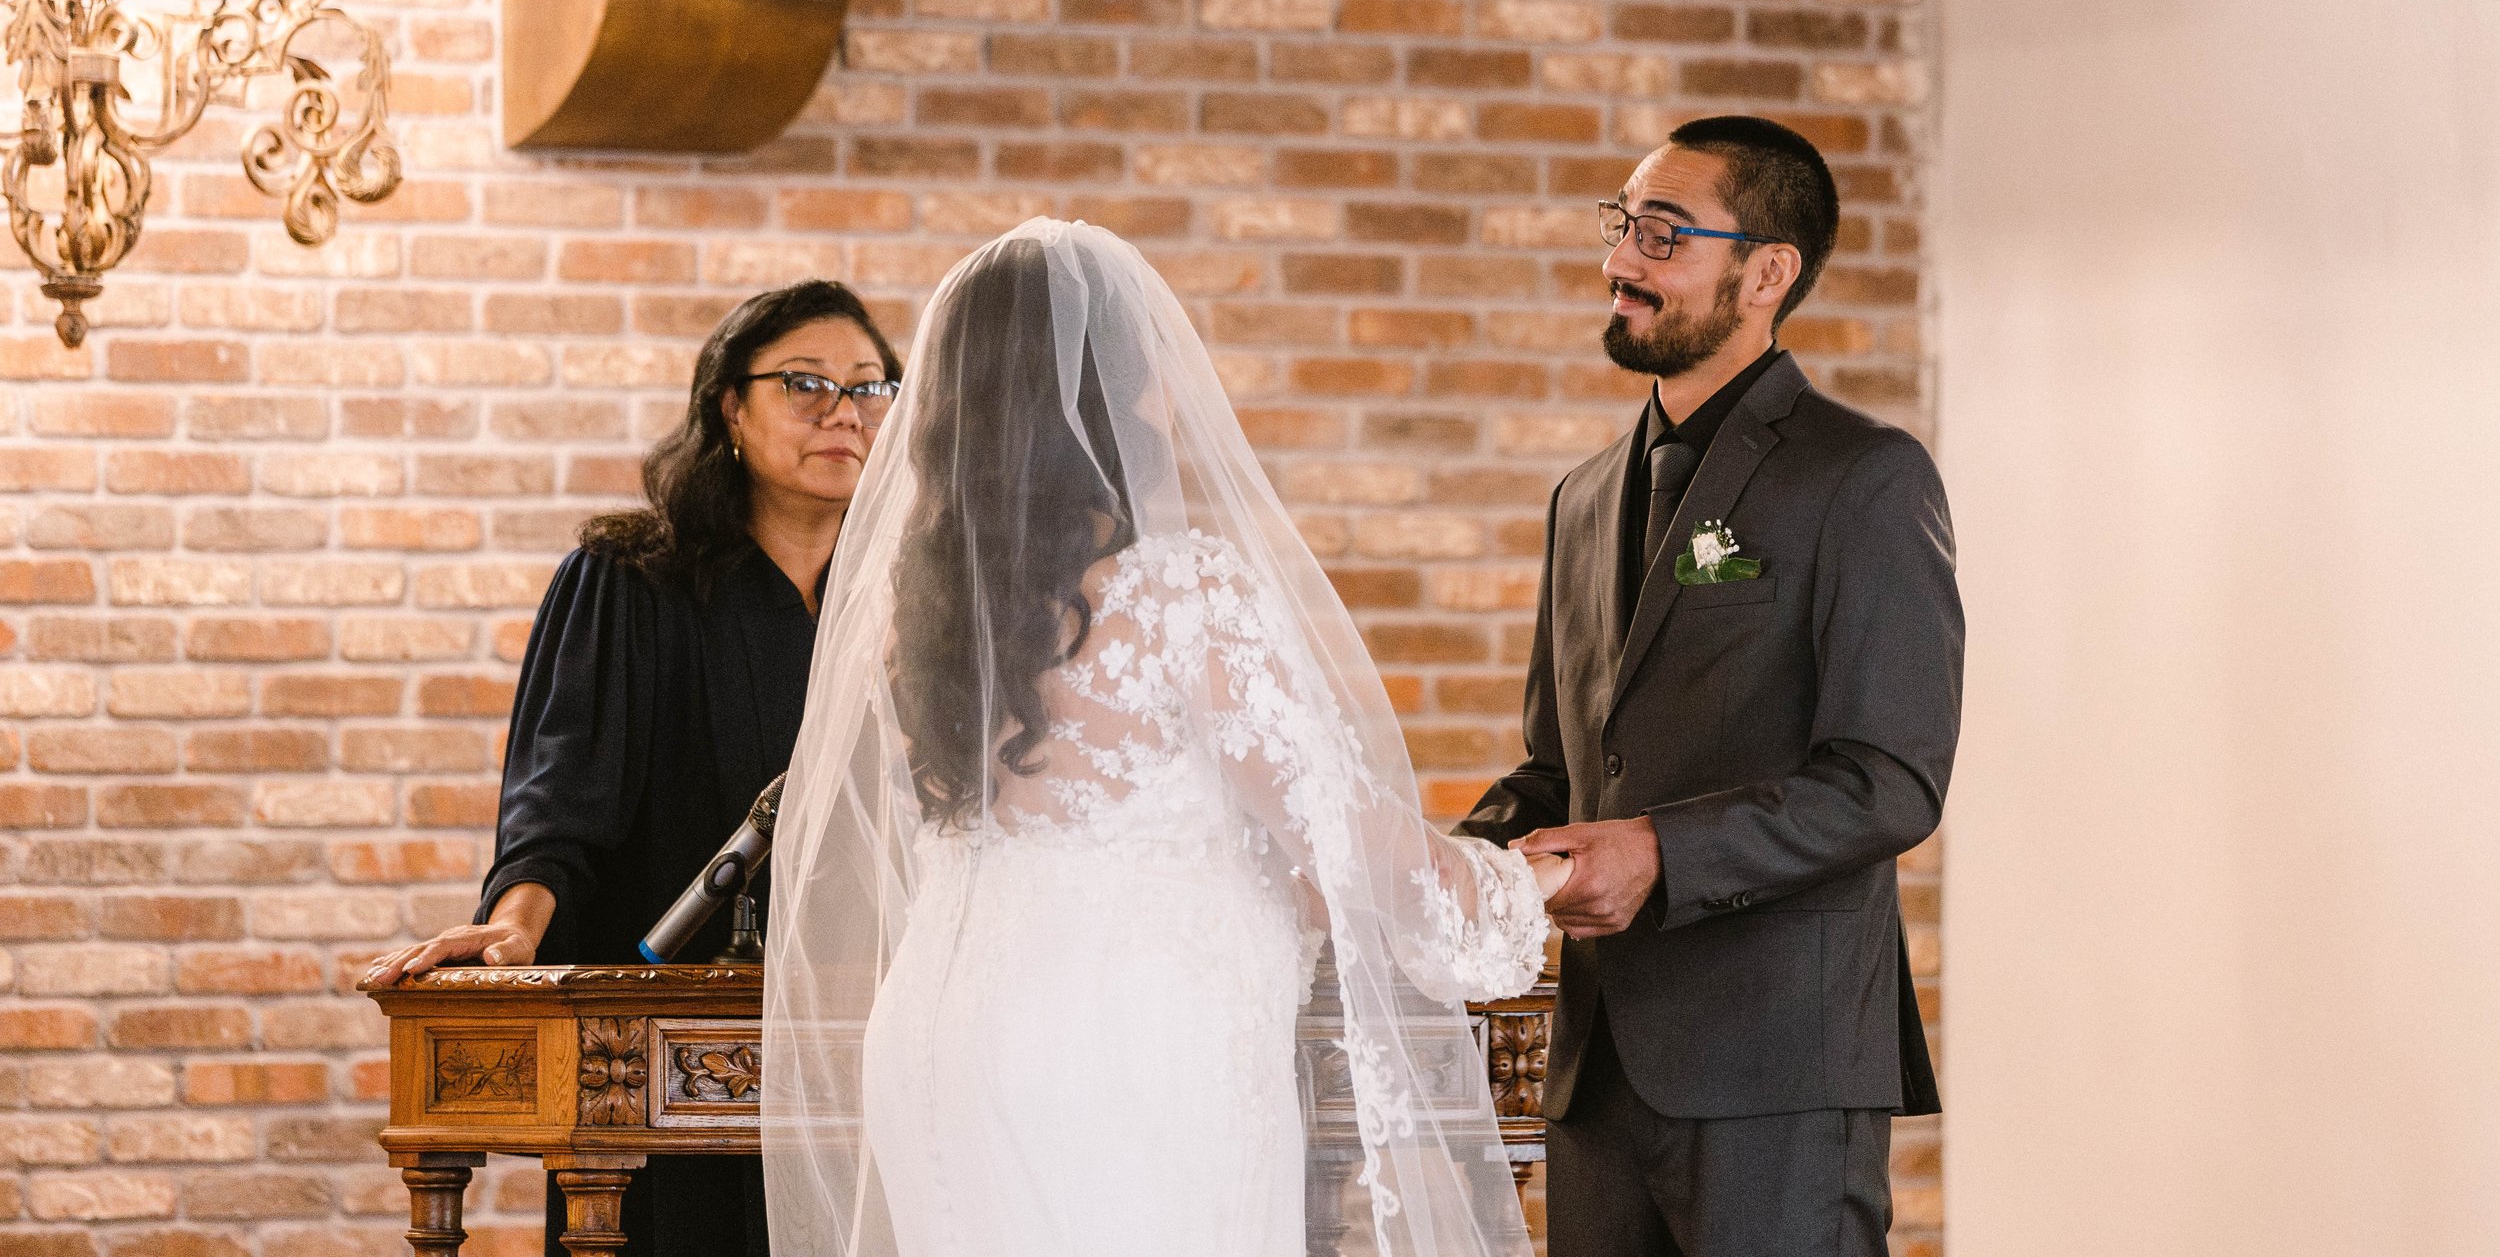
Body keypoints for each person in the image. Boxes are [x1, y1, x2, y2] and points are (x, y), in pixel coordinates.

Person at [761, 219, 1564, 1257]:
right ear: (1115, 398)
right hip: (1131, 1042)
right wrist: (1510, 881)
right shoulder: (1183, 591)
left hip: (940, 1035)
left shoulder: (916, 608)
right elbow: (1331, 828)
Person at [1456, 117, 1963, 1257]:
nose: (1620, 260)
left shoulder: (1863, 476)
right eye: (1621, 225)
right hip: (1597, 1078)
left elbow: (1890, 780)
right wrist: (1449, 860)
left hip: (1778, 1067)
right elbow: (1559, 767)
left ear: (1765, 272)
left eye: (1661, 233)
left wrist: (1659, 852)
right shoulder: (1580, 498)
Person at [361, 279, 903, 1257]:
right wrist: (513, 922)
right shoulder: (629, 577)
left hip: (859, 1035)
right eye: (807, 382)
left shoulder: (912, 596)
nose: (844, 412)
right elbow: (560, 799)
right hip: (665, 1045)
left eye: (870, 387)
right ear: (730, 407)